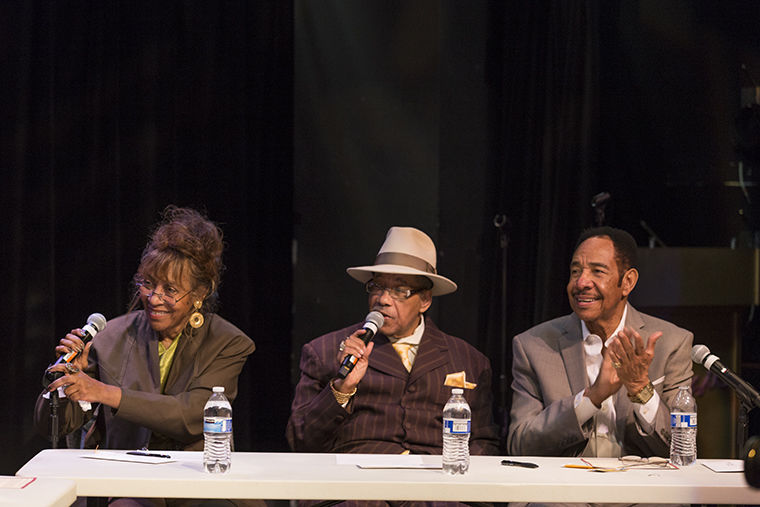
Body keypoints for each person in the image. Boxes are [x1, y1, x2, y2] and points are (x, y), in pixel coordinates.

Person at [35, 206, 255, 506]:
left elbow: (192, 416)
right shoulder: (113, 335)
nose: (154, 298)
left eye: (170, 289)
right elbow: (54, 428)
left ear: (199, 295)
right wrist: (67, 378)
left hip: (203, 485)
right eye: (148, 284)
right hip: (132, 484)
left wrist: (105, 392)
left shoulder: (228, 342)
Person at [287, 226, 499, 456]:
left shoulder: (468, 360)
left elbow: (484, 444)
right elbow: (301, 441)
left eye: (399, 289)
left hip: (437, 484)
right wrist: (342, 389)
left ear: (425, 300)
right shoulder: (325, 351)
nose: (383, 299)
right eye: (377, 287)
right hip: (361, 484)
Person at [508, 226, 693, 458]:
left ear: (627, 282)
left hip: (640, 489)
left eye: (597, 271)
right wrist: (591, 398)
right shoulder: (533, 346)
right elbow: (519, 443)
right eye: (575, 271)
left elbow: (682, 447)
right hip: (565, 489)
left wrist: (639, 389)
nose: (581, 282)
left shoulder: (671, 344)